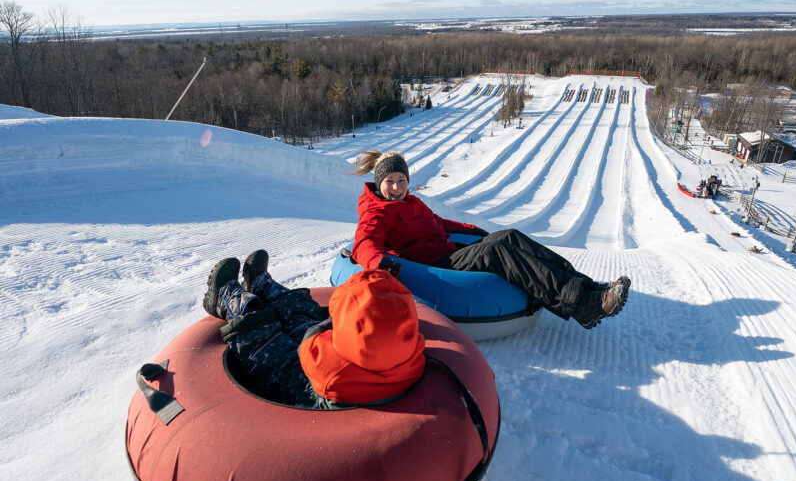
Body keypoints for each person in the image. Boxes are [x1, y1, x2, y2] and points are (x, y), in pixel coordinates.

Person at [351, 149, 631, 329]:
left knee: (507, 235)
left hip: (448, 251)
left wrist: (472, 229)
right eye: (390, 182)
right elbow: (363, 243)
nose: (397, 187)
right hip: (434, 267)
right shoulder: (377, 211)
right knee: (496, 251)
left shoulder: (411, 201)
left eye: (402, 179)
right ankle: (585, 305)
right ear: (379, 183)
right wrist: (379, 262)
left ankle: (589, 285)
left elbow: (439, 223)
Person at [202, 250, 425, 408]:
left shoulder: (328, 368)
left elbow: (308, 343)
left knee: (267, 340)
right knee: (304, 316)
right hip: (355, 367)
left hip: (309, 389)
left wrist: (328, 321)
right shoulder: (411, 350)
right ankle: (263, 288)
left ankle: (226, 299)